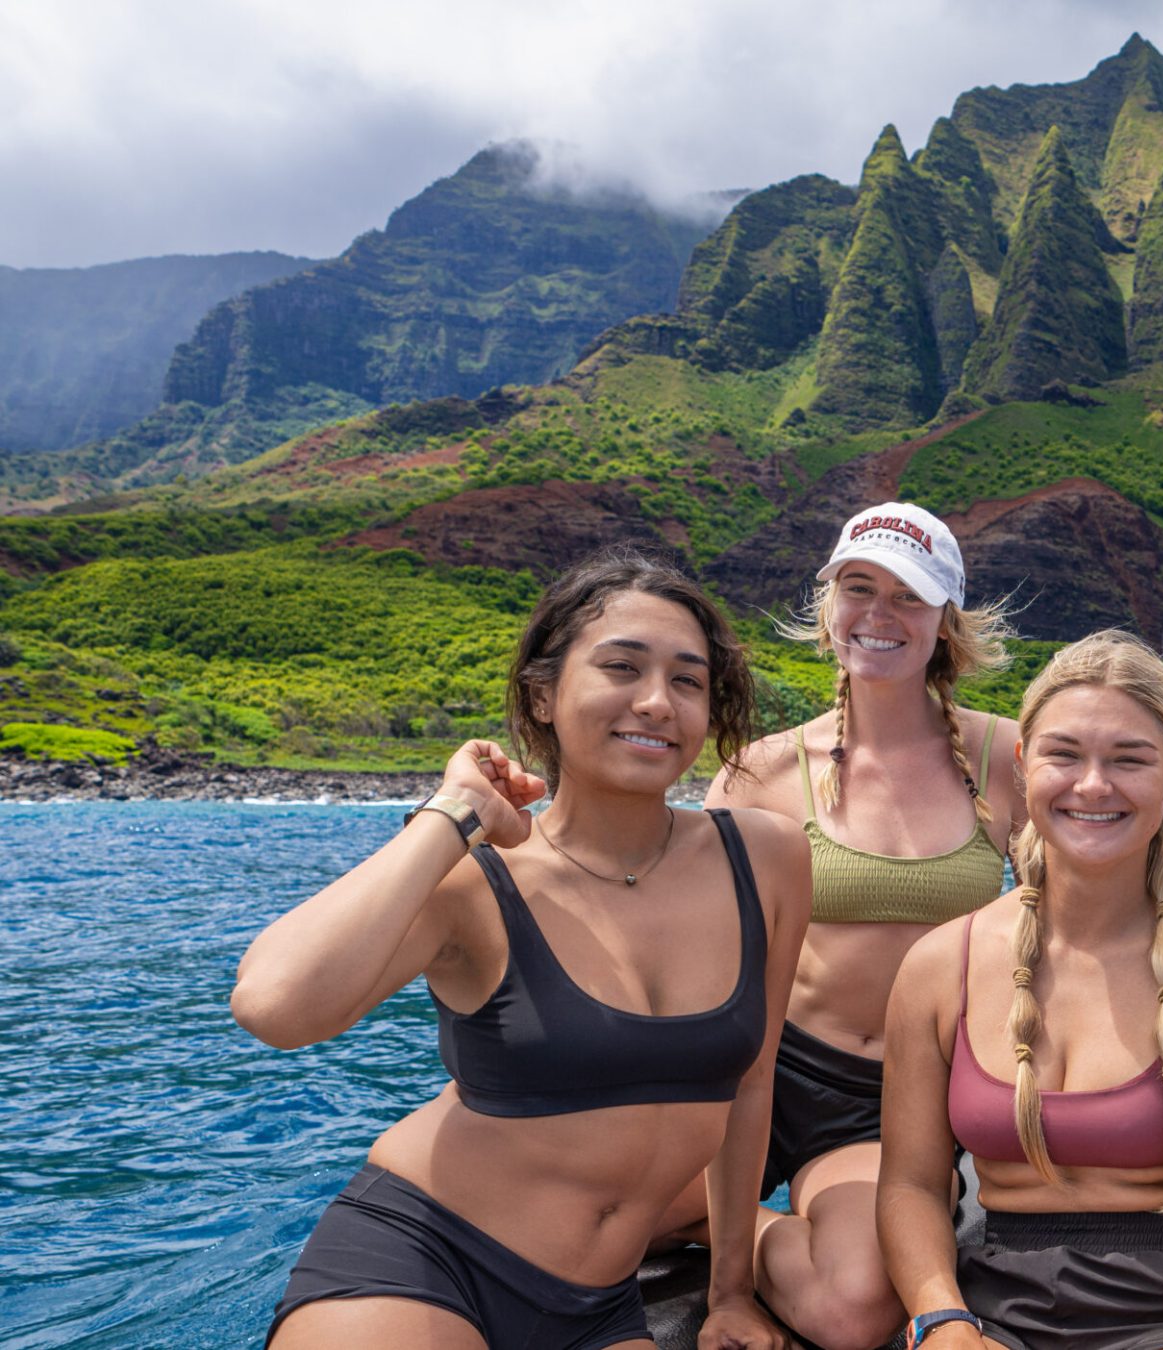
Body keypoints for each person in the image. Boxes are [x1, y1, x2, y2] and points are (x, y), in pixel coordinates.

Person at [235, 549, 809, 1350]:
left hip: (596, 1306)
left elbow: (749, 1089)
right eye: (621, 668)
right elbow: (276, 1006)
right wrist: (453, 813)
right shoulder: (476, 880)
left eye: (688, 680)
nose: (656, 702)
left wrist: (733, 1294)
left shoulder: (766, 857)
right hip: (424, 1264)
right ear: (543, 696)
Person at [661, 501, 1019, 1348]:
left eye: (909, 596)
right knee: (564, 1210)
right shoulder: (762, 772)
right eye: (858, 588)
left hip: (883, 1098)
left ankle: (730, 1227)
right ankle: (706, 1214)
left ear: (946, 622)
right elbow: (690, 949)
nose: (879, 615)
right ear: (827, 607)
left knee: (853, 1310)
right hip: (756, 1069)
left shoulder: (1006, 756)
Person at [878, 631, 1163, 1350]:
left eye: (1129, 759)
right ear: (1022, 765)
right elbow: (911, 1186)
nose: (1093, 786)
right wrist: (939, 1317)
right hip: (990, 1315)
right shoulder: (939, 967)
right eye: (1064, 755)